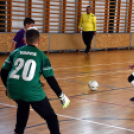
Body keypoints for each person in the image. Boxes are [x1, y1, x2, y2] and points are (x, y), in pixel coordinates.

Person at [0, 27, 70, 134]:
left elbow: (3, 72)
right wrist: (61, 95)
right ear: (39, 41)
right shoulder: (42, 56)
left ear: (24, 40)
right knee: (51, 117)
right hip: (31, 91)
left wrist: (8, 88)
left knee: (23, 107)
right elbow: (50, 78)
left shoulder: (15, 52)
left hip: (14, 89)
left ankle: (18, 132)